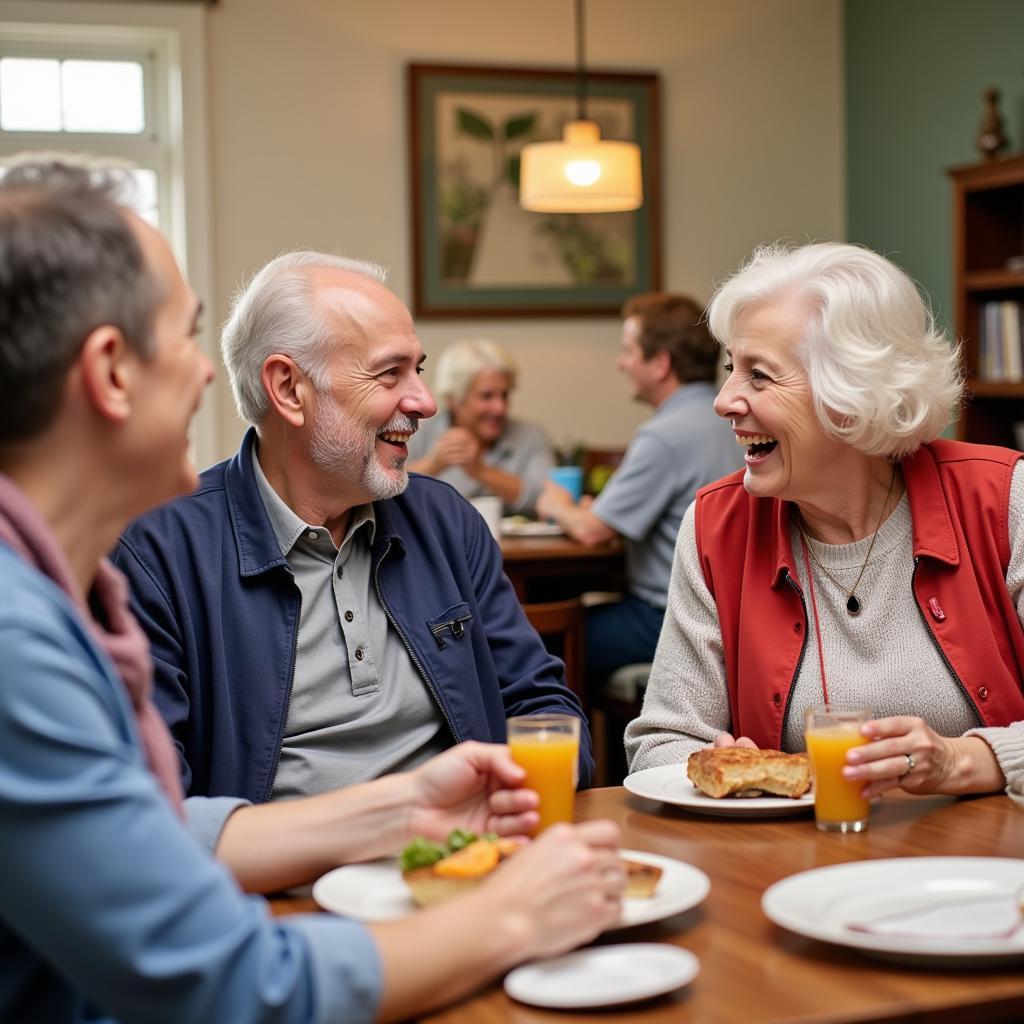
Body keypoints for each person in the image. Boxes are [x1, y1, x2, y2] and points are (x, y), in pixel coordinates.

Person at [0, 155, 624, 1024]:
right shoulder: (27, 630)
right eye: (184, 336)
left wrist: (405, 810)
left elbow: (139, 837)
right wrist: (512, 916)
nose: (209, 374)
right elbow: (226, 975)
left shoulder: (44, 590)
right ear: (110, 371)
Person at [112, 253, 593, 803]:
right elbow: (152, 806)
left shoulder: (445, 521)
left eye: (419, 369)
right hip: (282, 884)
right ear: (289, 389)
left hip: (466, 857)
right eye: (390, 373)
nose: (426, 402)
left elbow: (545, 709)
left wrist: (504, 809)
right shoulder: (160, 551)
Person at [626, 241, 1024, 799]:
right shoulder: (716, 526)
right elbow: (660, 743)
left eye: (759, 376)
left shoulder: (1003, 500)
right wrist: (706, 766)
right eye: (730, 369)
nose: (723, 400)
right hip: (796, 865)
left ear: (852, 395)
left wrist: (963, 760)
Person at [536, 293, 742, 678]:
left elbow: (592, 530)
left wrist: (557, 504)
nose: (621, 363)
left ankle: (568, 738)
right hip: (735, 615)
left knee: (540, 642)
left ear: (661, 363)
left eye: (628, 351)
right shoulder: (733, 419)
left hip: (669, 619)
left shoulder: (664, 435)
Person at [406, 338, 554, 515]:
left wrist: (481, 471)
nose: (500, 408)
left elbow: (549, 499)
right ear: (454, 400)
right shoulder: (416, 431)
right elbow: (382, 489)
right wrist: (433, 464)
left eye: (504, 395)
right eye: (487, 396)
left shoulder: (531, 437)